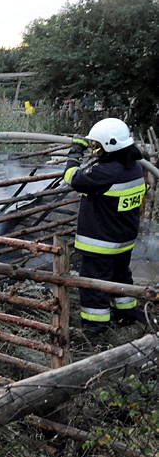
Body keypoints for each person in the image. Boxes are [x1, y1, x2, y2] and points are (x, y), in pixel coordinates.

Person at [64, 118, 146, 336]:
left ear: (110, 146)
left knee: (93, 287)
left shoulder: (106, 172)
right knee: (121, 278)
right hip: (123, 240)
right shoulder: (134, 167)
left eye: (97, 146)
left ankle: (95, 330)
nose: (95, 150)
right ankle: (127, 316)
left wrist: (74, 152)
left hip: (100, 243)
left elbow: (72, 178)